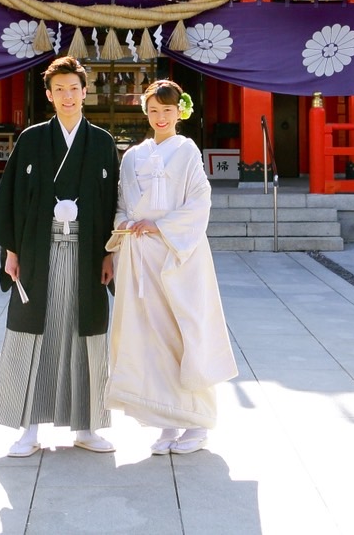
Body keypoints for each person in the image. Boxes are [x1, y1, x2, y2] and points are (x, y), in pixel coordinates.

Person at [0, 55, 120, 457]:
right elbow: (12, 198)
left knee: (86, 335)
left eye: (73, 89)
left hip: (87, 250)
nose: (67, 96)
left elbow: (113, 203)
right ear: (48, 94)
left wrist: (110, 254)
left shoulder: (101, 142)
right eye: (58, 89)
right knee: (34, 335)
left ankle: (89, 426)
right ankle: (29, 427)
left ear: (84, 92)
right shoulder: (31, 140)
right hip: (38, 251)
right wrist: (11, 251)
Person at [105, 79, 237, 455]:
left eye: (167, 110)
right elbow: (121, 203)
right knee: (147, 336)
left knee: (183, 331)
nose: (160, 117)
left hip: (178, 255)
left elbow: (199, 201)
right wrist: (126, 225)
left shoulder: (187, 150)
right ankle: (166, 420)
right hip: (139, 256)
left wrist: (160, 226)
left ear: (180, 110)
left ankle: (197, 422)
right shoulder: (132, 155)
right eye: (153, 110)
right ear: (145, 112)